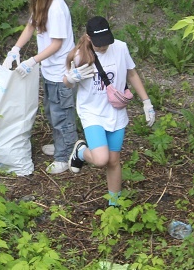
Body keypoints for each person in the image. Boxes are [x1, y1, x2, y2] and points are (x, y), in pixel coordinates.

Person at [64, 16, 155, 207]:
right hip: (92, 112)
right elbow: (65, 82)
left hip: (115, 111)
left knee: (113, 161)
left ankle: (114, 205)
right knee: (101, 159)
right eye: (99, 44)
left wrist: (147, 102)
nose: (103, 47)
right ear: (88, 38)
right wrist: (72, 78)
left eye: (106, 42)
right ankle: (81, 152)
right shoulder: (79, 55)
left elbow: (132, 73)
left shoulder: (120, 48)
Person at [2, 0, 78, 174]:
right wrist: (15, 49)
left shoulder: (57, 8)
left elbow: (57, 44)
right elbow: (30, 27)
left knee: (61, 114)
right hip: (49, 71)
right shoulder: (40, 2)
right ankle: (62, 143)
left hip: (61, 72)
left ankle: (65, 156)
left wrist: (32, 60)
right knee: (51, 111)